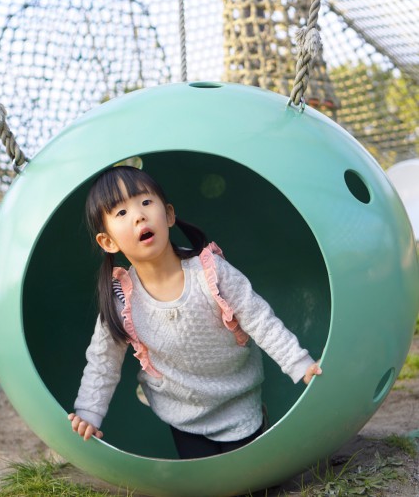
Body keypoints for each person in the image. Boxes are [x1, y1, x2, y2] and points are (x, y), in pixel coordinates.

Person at [68, 165, 322, 459]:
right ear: (108, 242)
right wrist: (88, 414)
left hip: (237, 398)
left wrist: (299, 364)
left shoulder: (210, 273)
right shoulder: (121, 301)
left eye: (146, 202)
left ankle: (261, 427)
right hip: (181, 410)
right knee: (208, 483)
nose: (139, 215)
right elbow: (103, 362)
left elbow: (258, 318)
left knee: (253, 482)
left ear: (169, 215)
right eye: (121, 213)